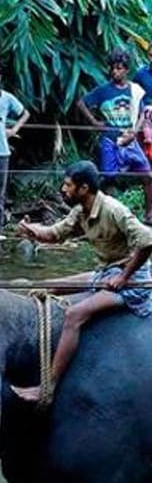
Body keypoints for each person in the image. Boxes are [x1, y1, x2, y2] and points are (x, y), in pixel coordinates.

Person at [13, 160, 152, 404]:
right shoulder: (80, 211)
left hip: (131, 280)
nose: (63, 190)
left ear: (83, 188)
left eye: (68, 185)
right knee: (47, 286)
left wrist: (124, 277)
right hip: (104, 272)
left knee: (74, 315)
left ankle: (48, 386)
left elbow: (147, 241)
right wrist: (31, 230)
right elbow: (55, 234)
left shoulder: (113, 210)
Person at [78, 49, 152, 221]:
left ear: (126, 70)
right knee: (108, 177)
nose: (115, 72)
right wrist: (95, 122)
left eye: (119, 68)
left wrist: (135, 131)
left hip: (130, 139)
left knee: (148, 175)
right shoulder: (103, 91)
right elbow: (81, 103)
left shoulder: (135, 90)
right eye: (112, 68)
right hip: (110, 139)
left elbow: (141, 112)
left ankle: (149, 214)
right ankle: (95, 212)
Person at [0, 60, 30, 254]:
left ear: (0, 78)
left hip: (1, 151)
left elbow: (25, 113)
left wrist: (14, 129)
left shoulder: (7, 98)